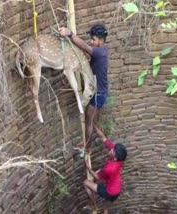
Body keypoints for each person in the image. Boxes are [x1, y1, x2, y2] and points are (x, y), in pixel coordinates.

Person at [59, 24, 109, 152]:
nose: (91, 42)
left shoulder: (99, 52)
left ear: (101, 41)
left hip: (98, 94)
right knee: (92, 120)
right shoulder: (102, 52)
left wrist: (70, 34)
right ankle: (91, 141)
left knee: (89, 120)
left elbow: (85, 47)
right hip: (101, 93)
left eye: (94, 39)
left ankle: (87, 148)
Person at [83, 125, 127, 214]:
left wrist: (88, 167)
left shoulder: (109, 169)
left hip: (109, 192)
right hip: (116, 191)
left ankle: (94, 204)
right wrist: (93, 124)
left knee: (86, 183)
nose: (110, 150)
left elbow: (97, 177)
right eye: (113, 149)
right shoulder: (119, 159)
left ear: (115, 158)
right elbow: (103, 138)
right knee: (105, 207)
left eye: (112, 151)